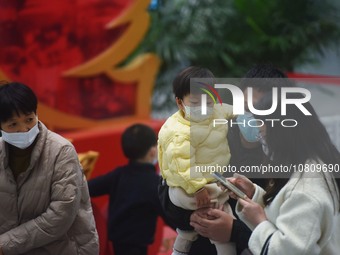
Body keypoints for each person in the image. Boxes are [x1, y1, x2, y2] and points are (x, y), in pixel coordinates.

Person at [0, 81, 99, 255]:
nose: (23, 129)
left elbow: (61, 215)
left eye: (29, 120)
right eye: (13, 125)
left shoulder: (61, 151)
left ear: (37, 113)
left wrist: (6, 244)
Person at [158, 66, 236, 255]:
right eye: (195, 102)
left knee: (189, 229)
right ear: (180, 102)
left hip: (207, 181)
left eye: (208, 102)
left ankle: (182, 246)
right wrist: (197, 187)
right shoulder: (178, 132)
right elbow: (181, 165)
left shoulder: (216, 112)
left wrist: (244, 114)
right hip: (186, 188)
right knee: (220, 209)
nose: (203, 108)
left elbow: (227, 110)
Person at [88, 123, 163, 255]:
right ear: (152, 151)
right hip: (139, 245)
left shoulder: (118, 175)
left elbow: (88, 188)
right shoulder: (155, 183)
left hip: (117, 243)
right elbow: (169, 213)